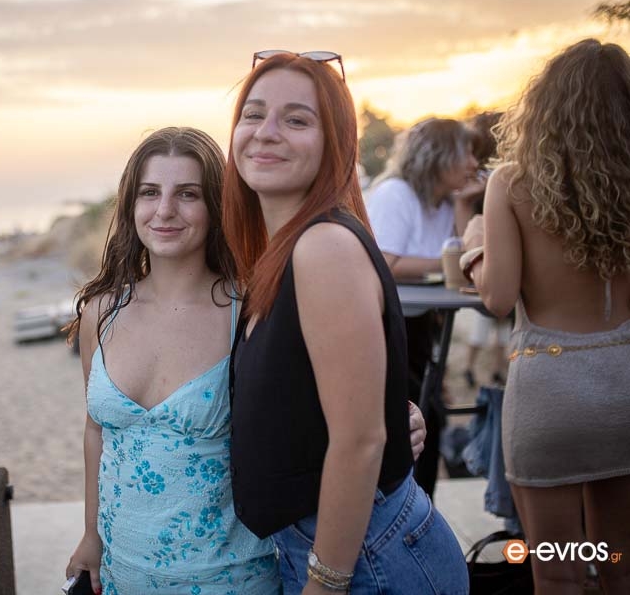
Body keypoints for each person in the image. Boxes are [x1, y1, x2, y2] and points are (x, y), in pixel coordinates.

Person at [63, 127, 428, 594]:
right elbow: (96, 430)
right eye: (149, 192)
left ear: (217, 206)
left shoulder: (253, 309)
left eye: (188, 194)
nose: (165, 210)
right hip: (123, 574)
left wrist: (398, 420)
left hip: (235, 577)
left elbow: (335, 402)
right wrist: (91, 535)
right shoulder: (102, 312)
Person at [223, 51, 468, 594]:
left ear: (334, 143)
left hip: (364, 560)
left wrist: (327, 582)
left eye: (296, 119)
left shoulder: (324, 247)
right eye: (253, 114)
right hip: (338, 546)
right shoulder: (279, 250)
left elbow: (360, 440)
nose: (266, 132)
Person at [463, 39, 630, 594]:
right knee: (620, 566)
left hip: (552, 395)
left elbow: (498, 297)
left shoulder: (512, 184)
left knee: (557, 573)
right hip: (624, 390)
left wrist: (474, 253)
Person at [365, 117, 483, 498]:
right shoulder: (394, 194)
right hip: (384, 326)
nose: (473, 163)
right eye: (466, 153)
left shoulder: (445, 202)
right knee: (411, 416)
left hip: (422, 323)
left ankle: (423, 504)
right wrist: (446, 264)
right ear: (440, 155)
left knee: (429, 416)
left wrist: (463, 204)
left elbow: (465, 261)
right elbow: (385, 262)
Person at [462, 111, 510, 388]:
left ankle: (493, 368)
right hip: (484, 250)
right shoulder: (490, 178)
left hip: (482, 252)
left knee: (497, 323)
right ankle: (478, 367)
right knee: (492, 321)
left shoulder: (493, 177)